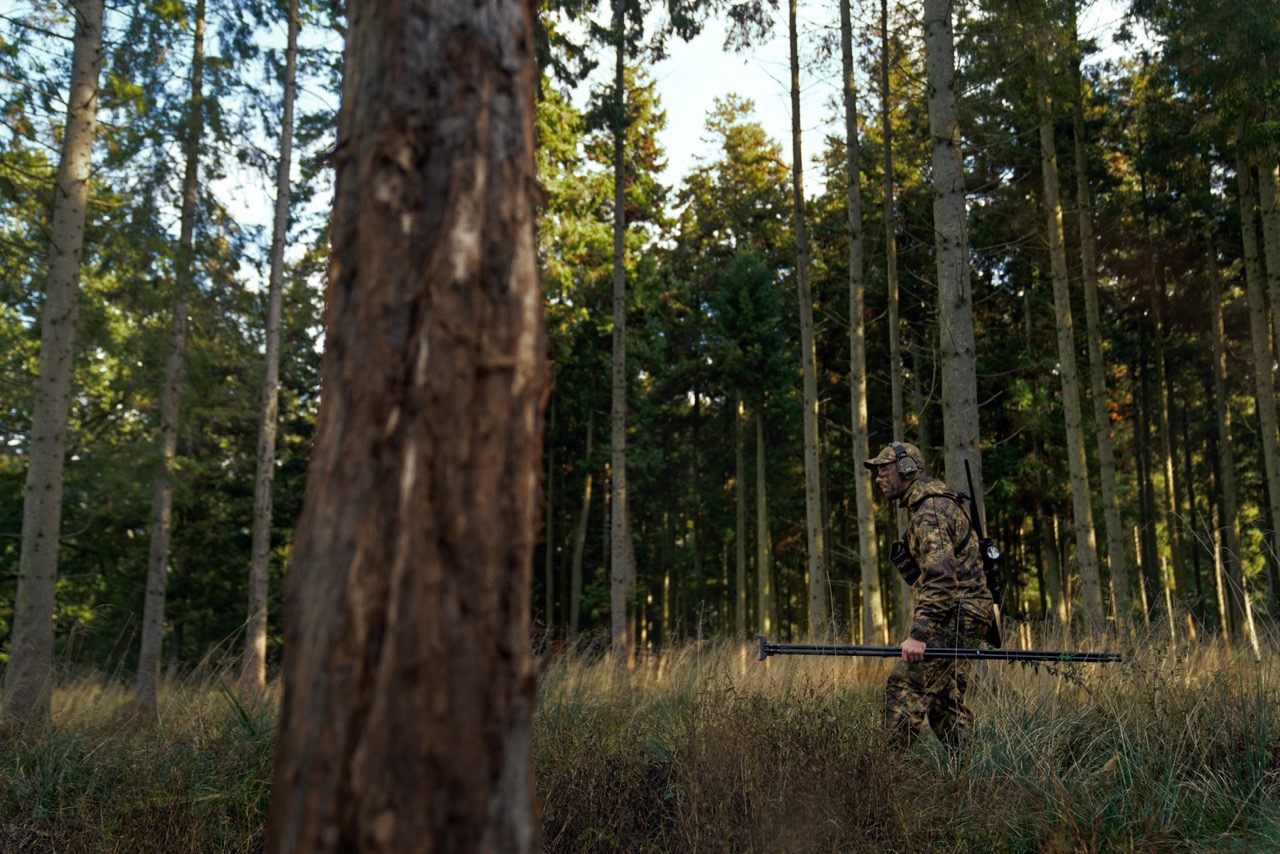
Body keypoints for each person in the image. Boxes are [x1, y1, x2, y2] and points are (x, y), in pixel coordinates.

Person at [863, 441, 994, 752]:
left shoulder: (930, 511)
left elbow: (940, 577)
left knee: (905, 686)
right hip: (966, 613)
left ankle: (885, 779)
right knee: (943, 699)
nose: (879, 479)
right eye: (877, 473)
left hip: (957, 615)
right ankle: (971, 775)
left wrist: (920, 635)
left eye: (885, 472)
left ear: (907, 470)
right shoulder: (932, 505)